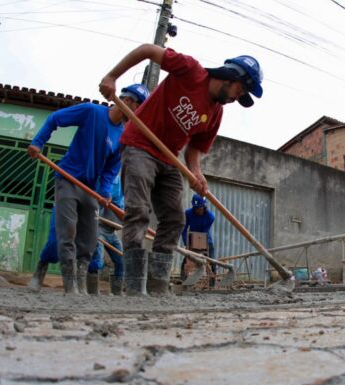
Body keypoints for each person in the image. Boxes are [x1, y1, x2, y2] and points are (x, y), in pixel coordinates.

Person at [99, 45, 263, 296]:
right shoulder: (190, 71)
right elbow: (147, 50)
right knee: (138, 210)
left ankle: (157, 285)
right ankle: (134, 285)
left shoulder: (216, 114)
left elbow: (194, 151)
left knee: (175, 218)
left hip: (168, 158)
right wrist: (112, 76)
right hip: (140, 145)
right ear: (231, 75)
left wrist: (197, 173)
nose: (234, 99)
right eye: (238, 90)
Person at [26, 84, 148, 294]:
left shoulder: (122, 135)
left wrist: (105, 191)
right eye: (139, 107)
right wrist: (39, 142)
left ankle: (81, 283)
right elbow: (56, 118)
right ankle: (64, 283)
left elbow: (111, 168)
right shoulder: (92, 112)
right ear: (127, 101)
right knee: (66, 234)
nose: (139, 114)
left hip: (90, 188)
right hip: (67, 179)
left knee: (90, 239)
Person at [86, 175, 126, 296]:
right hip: (98, 227)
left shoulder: (118, 181)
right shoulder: (99, 177)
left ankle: (117, 291)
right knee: (98, 260)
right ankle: (92, 291)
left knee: (122, 260)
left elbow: (120, 208)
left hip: (111, 231)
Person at [180, 194, 216, 280]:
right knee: (187, 260)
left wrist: (200, 249)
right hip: (192, 239)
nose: (197, 211)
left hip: (206, 239)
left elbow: (204, 232)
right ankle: (183, 279)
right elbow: (184, 229)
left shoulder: (210, 217)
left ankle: (212, 282)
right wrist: (186, 243)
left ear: (204, 207)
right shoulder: (188, 213)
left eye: (199, 208)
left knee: (211, 261)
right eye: (195, 208)